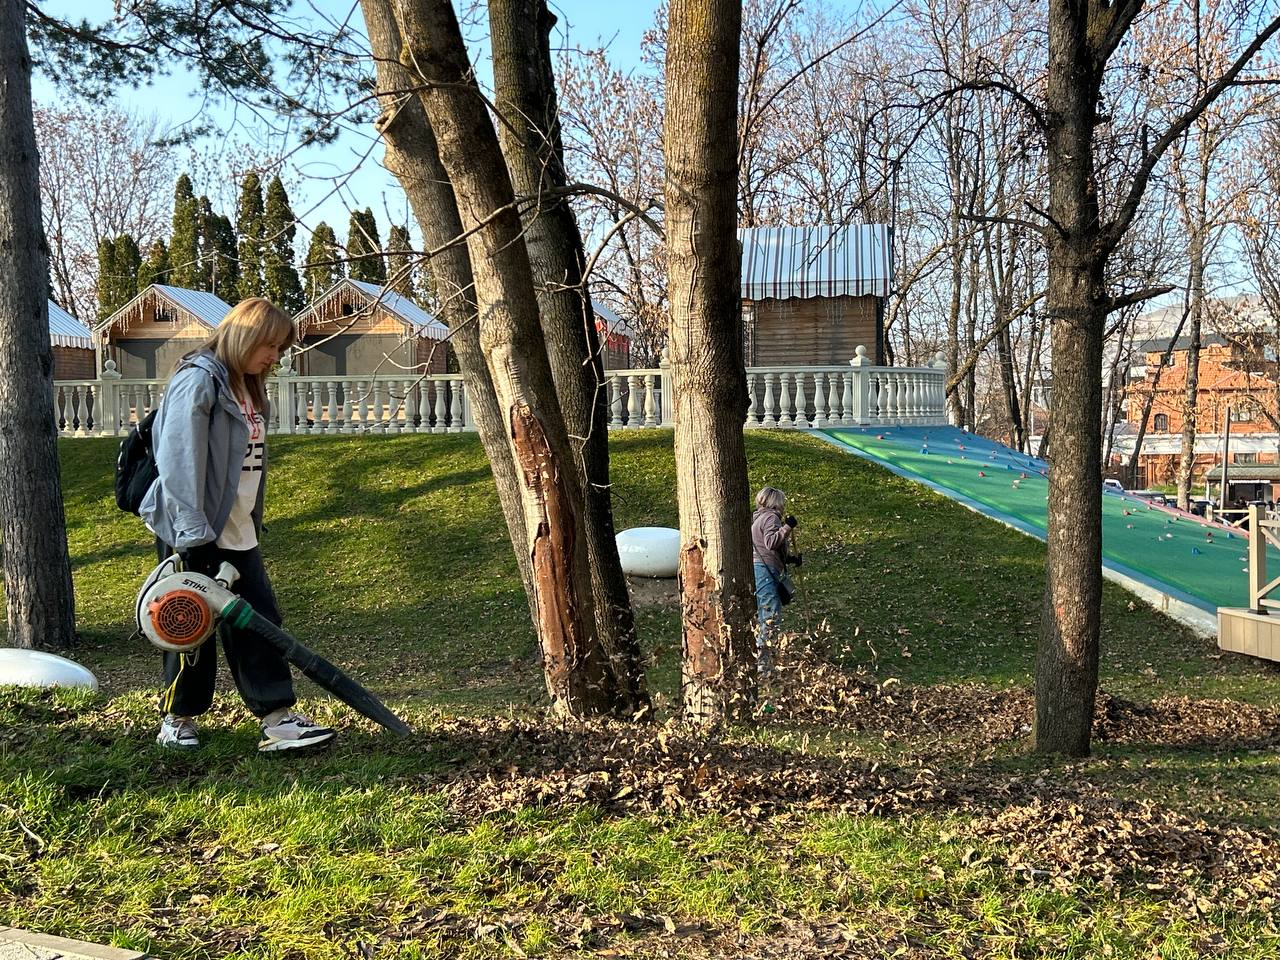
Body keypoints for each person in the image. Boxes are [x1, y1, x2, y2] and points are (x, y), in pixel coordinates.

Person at [139, 298, 335, 753]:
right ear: (245, 335)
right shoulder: (199, 381)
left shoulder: (248, 386)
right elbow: (179, 462)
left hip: (237, 530)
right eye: (270, 345)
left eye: (280, 349)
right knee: (188, 626)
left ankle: (277, 719)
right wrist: (192, 538)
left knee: (260, 622)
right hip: (196, 530)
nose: (276, 357)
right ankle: (177, 719)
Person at [751, 486, 797, 676]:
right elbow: (771, 543)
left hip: (760, 568)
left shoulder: (757, 519)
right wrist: (788, 527)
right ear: (774, 503)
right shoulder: (771, 517)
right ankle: (763, 664)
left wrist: (791, 559)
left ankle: (761, 657)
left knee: (764, 611)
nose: (783, 506)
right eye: (781, 502)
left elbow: (766, 547)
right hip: (765, 570)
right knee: (770, 613)